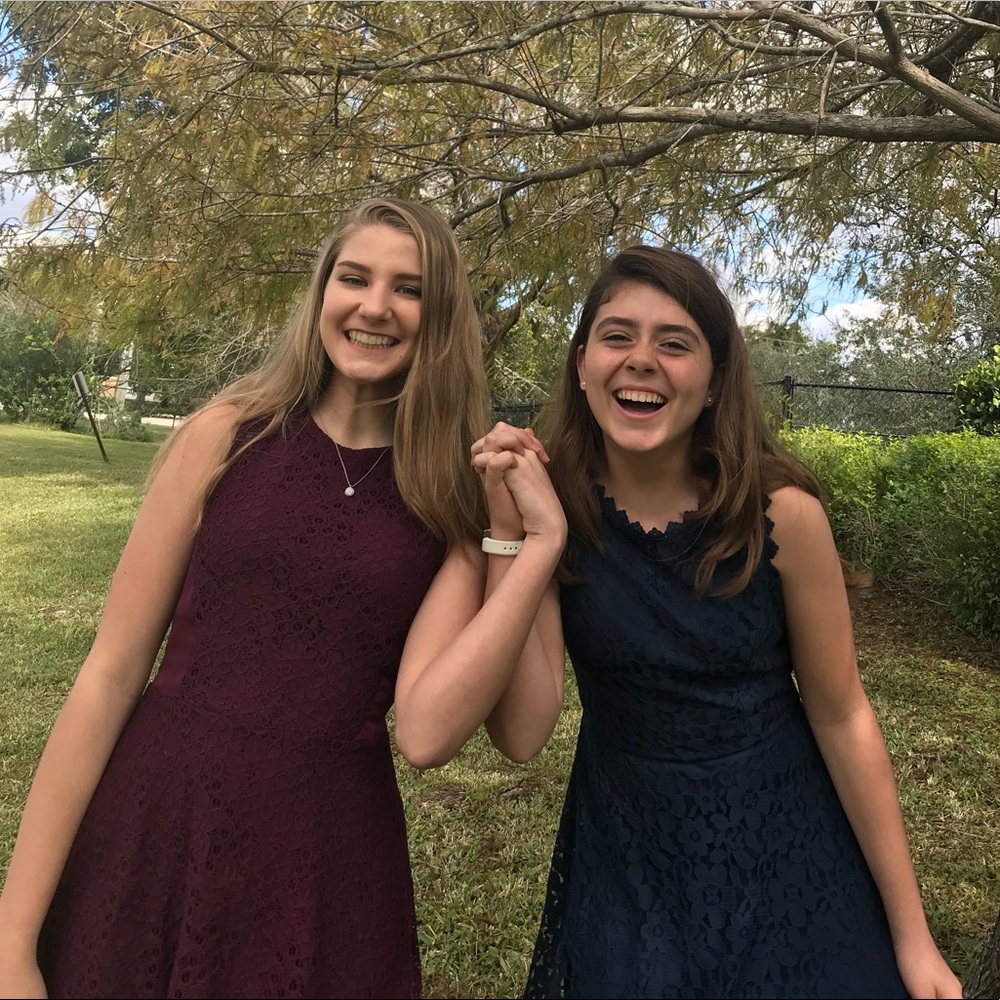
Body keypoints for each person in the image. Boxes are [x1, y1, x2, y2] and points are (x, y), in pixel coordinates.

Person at [0, 197, 566, 1000]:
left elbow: (442, 732)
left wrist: (526, 543)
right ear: (322, 292)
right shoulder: (227, 435)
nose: (374, 306)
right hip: (158, 823)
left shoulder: (448, 499)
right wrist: (12, 937)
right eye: (354, 278)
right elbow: (110, 674)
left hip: (324, 864)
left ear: (439, 316)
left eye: (407, 289)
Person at [473, 246, 962, 999]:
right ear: (580, 364)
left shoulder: (784, 516)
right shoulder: (557, 515)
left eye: (675, 343)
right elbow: (522, 734)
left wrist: (914, 936)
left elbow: (842, 713)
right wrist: (516, 536)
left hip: (788, 846)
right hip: (627, 852)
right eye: (617, 336)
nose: (642, 361)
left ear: (715, 380)